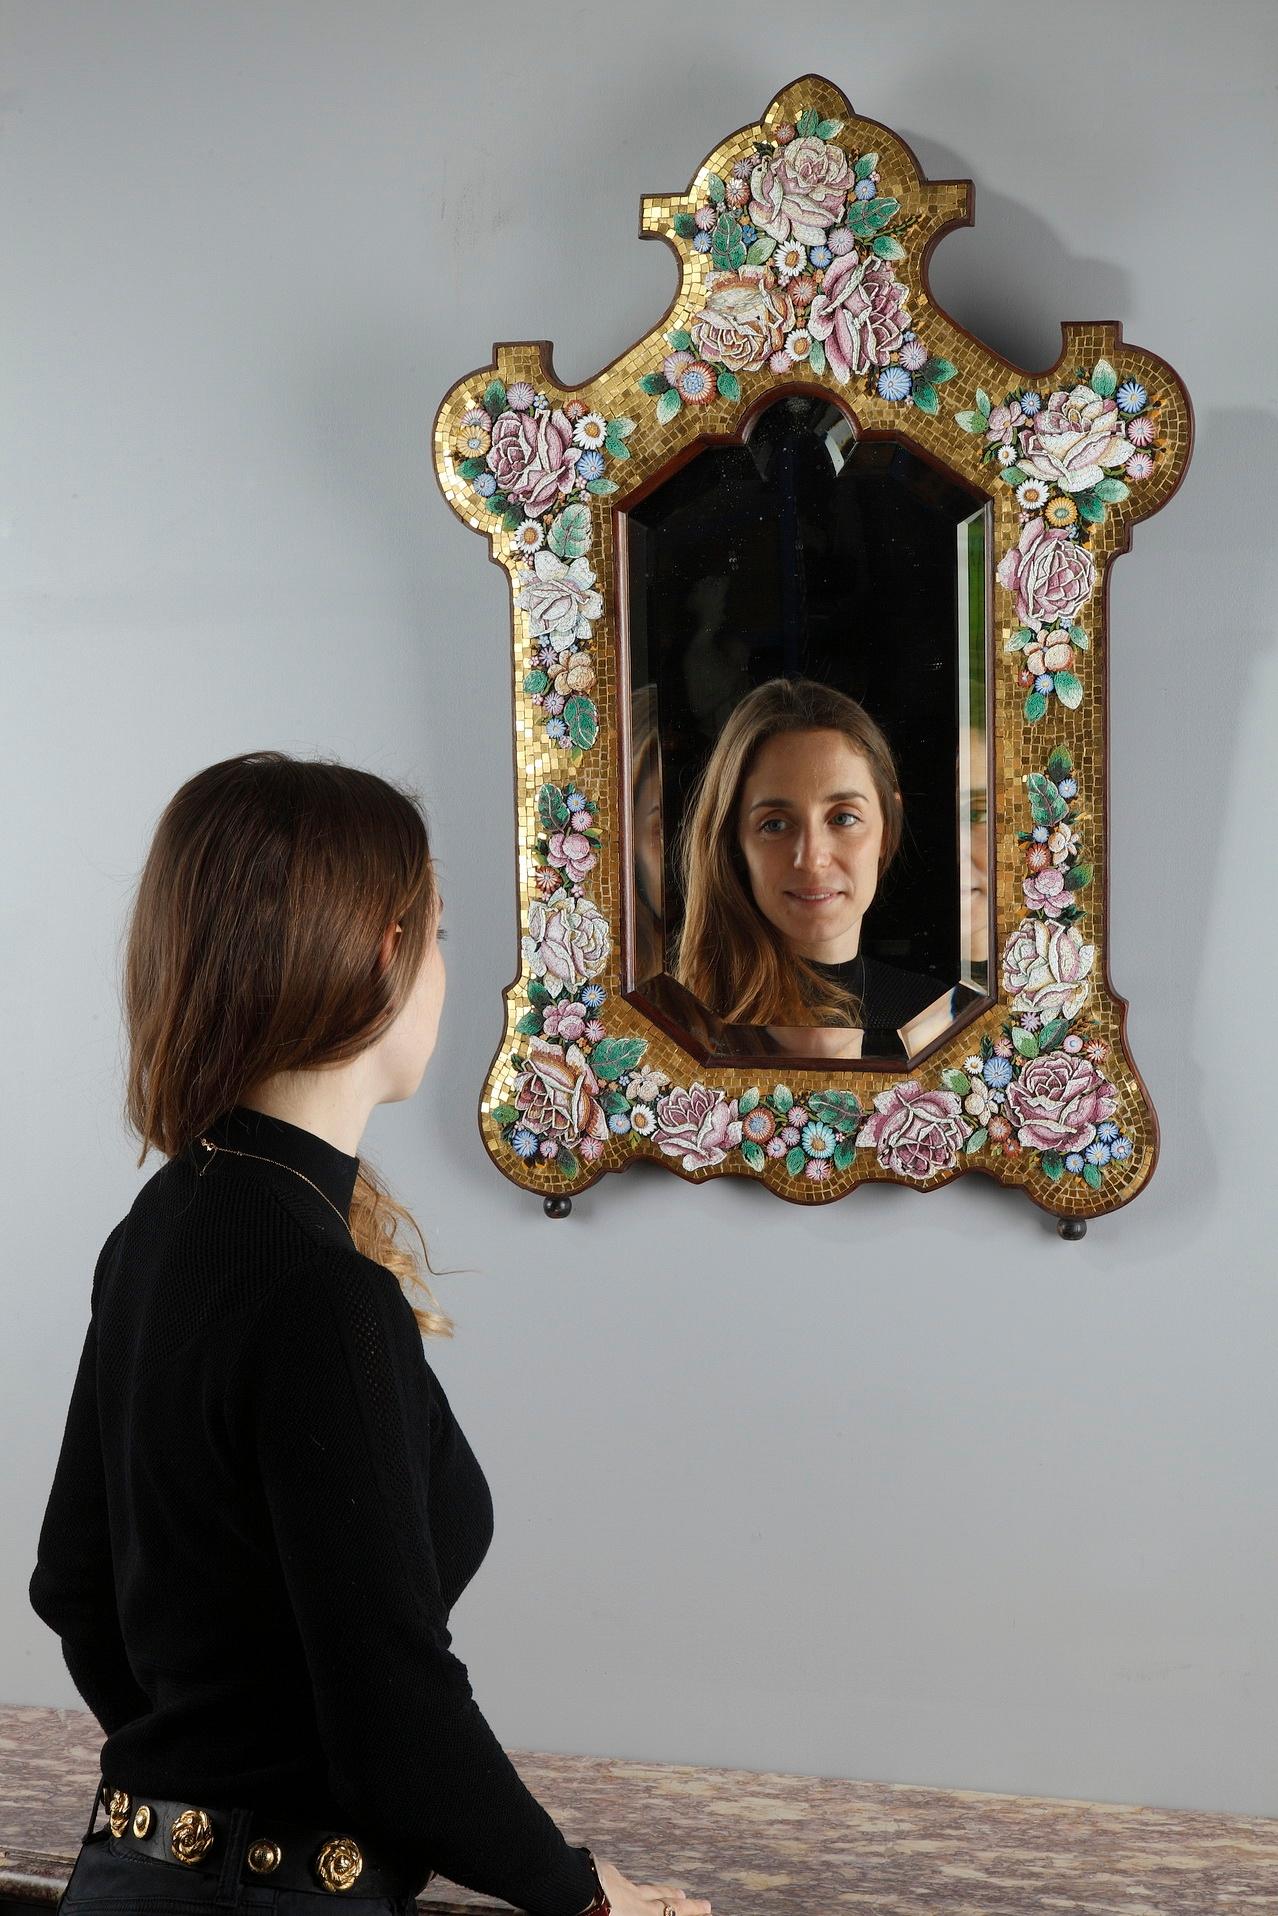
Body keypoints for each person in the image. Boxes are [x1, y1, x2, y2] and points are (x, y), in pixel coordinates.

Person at [29, 750, 712, 1916]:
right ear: (387, 952)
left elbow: (75, 1587)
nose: (451, 972)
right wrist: (589, 1897)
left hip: (127, 1880)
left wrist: (203, 1777)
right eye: (440, 934)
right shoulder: (324, 1293)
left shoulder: (161, 1222)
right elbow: (393, 1703)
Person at [670, 678, 951, 1055]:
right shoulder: (674, 1028)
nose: (812, 858)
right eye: (775, 824)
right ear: (734, 842)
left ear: (888, 827)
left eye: (843, 818)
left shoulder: (944, 1016)